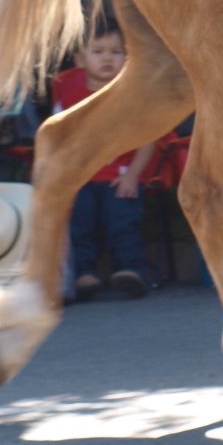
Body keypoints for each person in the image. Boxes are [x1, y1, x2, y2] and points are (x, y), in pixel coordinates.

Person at [53, 15, 154, 299]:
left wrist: (133, 175)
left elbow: (148, 139)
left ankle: (133, 270)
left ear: (127, 57)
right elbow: (59, 136)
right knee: (79, 222)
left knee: (123, 220)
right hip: (81, 175)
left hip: (120, 175)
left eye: (115, 52)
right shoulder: (69, 92)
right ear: (80, 59)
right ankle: (85, 273)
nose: (107, 59)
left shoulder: (132, 94)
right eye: (98, 52)